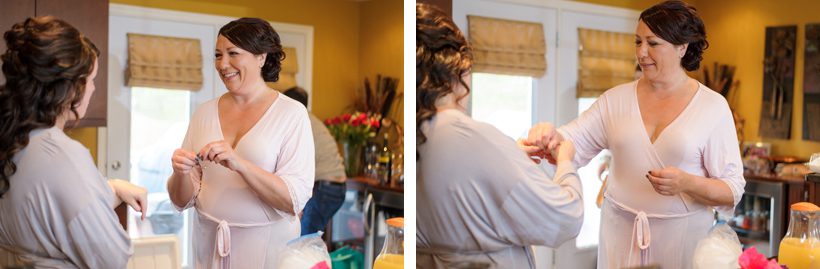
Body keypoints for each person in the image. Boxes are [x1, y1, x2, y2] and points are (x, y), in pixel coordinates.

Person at [523, 1, 745, 268]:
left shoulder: (712, 107)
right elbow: (572, 140)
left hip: (682, 240)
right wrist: (548, 135)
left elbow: (732, 189)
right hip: (620, 234)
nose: (641, 53)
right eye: (637, 42)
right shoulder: (615, 100)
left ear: (682, 47)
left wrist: (687, 183)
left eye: (653, 43)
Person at [416, 4, 584, 268]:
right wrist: (566, 162)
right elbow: (564, 218)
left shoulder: (418, 131)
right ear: (456, 66)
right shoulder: (470, 137)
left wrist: (510, 154)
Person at [0, 16, 147, 268]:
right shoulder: (63, 155)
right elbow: (111, 256)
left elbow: (51, 206)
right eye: (91, 81)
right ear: (70, 89)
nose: (92, 89)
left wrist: (111, 188)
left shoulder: (11, 139)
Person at [167, 17, 314, 268]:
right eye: (217, 55)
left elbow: (293, 200)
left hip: (267, 249)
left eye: (233, 53)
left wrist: (239, 163)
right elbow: (181, 201)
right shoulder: (204, 112)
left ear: (261, 57)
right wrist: (180, 173)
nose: (223, 64)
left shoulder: (291, 113)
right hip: (208, 245)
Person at [282, 86, 347, 236]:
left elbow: (296, 164)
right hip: (337, 187)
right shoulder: (312, 120)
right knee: (309, 237)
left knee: (303, 239)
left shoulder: (298, 121)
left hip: (325, 188)